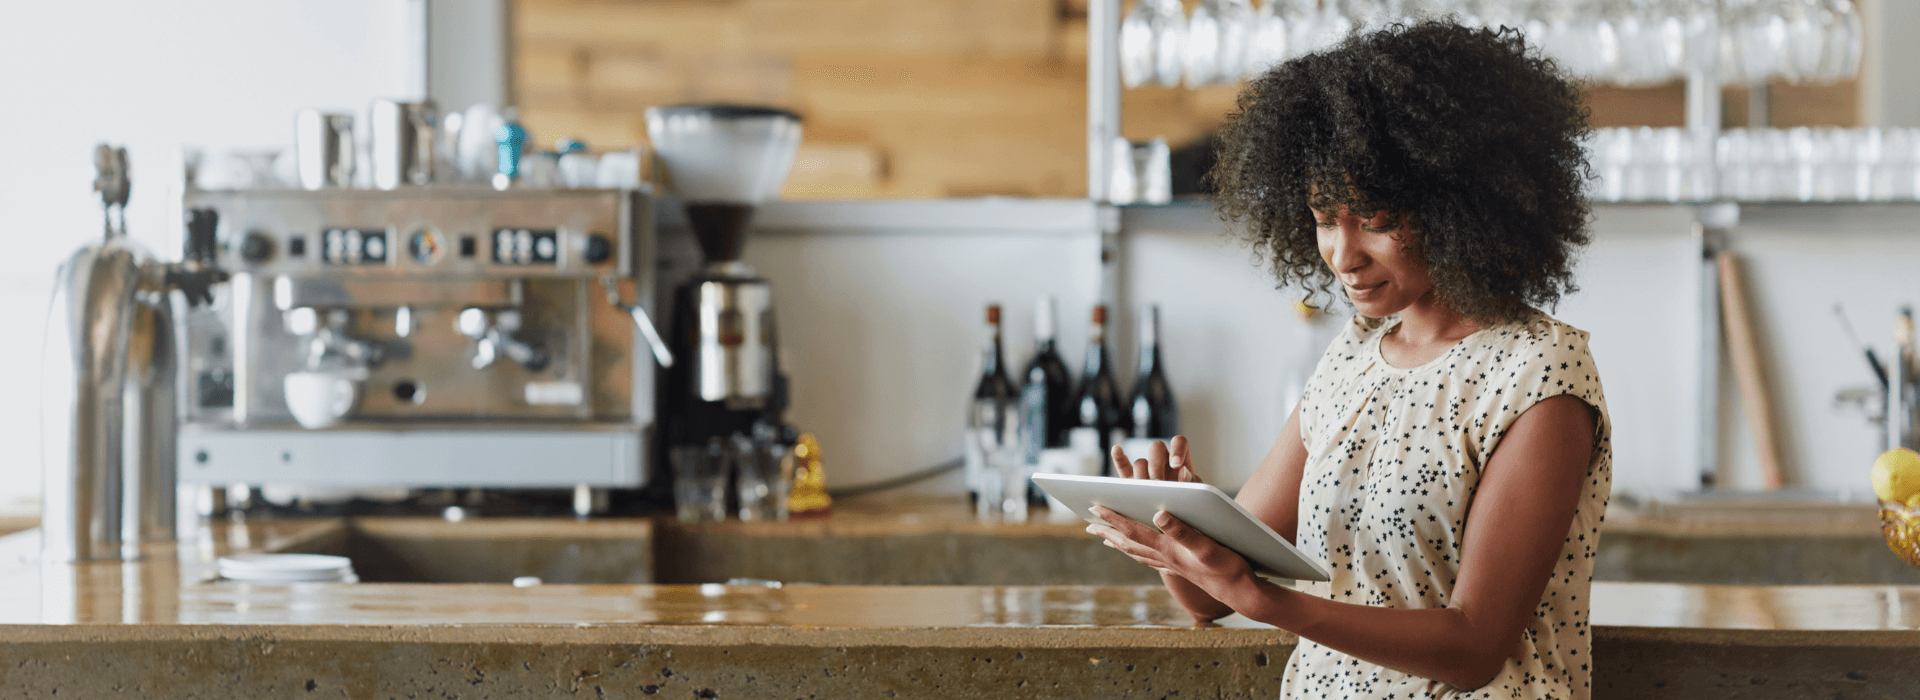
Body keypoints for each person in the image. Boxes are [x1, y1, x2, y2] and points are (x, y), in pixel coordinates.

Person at [1084, 21, 1610, 700]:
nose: (1342, 253)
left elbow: (1476, 646)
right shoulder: (1356, 357)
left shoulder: (1539, 373)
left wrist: (1265, 601)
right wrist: (1174, 529)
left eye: (1374, 218)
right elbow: (1209, 600)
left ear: (1460, 204)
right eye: (1324, 217)